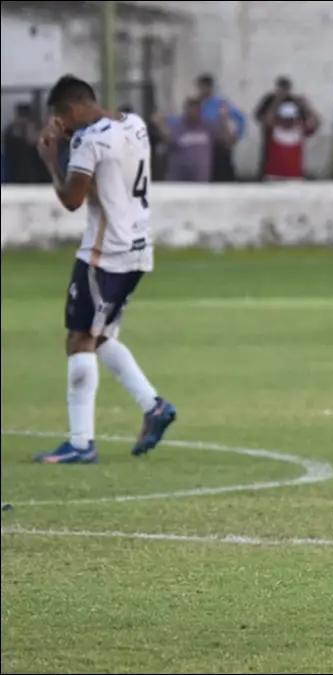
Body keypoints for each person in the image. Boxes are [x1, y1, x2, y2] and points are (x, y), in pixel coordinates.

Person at [30, 75, 177, 464]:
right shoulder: (134, 123)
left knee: (79, 339)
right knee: (99, 337)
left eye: (62, 116)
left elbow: (73, 199)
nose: (63, 125)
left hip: (103, 254)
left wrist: (51, 159)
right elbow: (108, 184)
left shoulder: (87, 140)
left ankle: (81, 445)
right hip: (138, 247)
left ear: (74, 107)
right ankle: (154, 406)